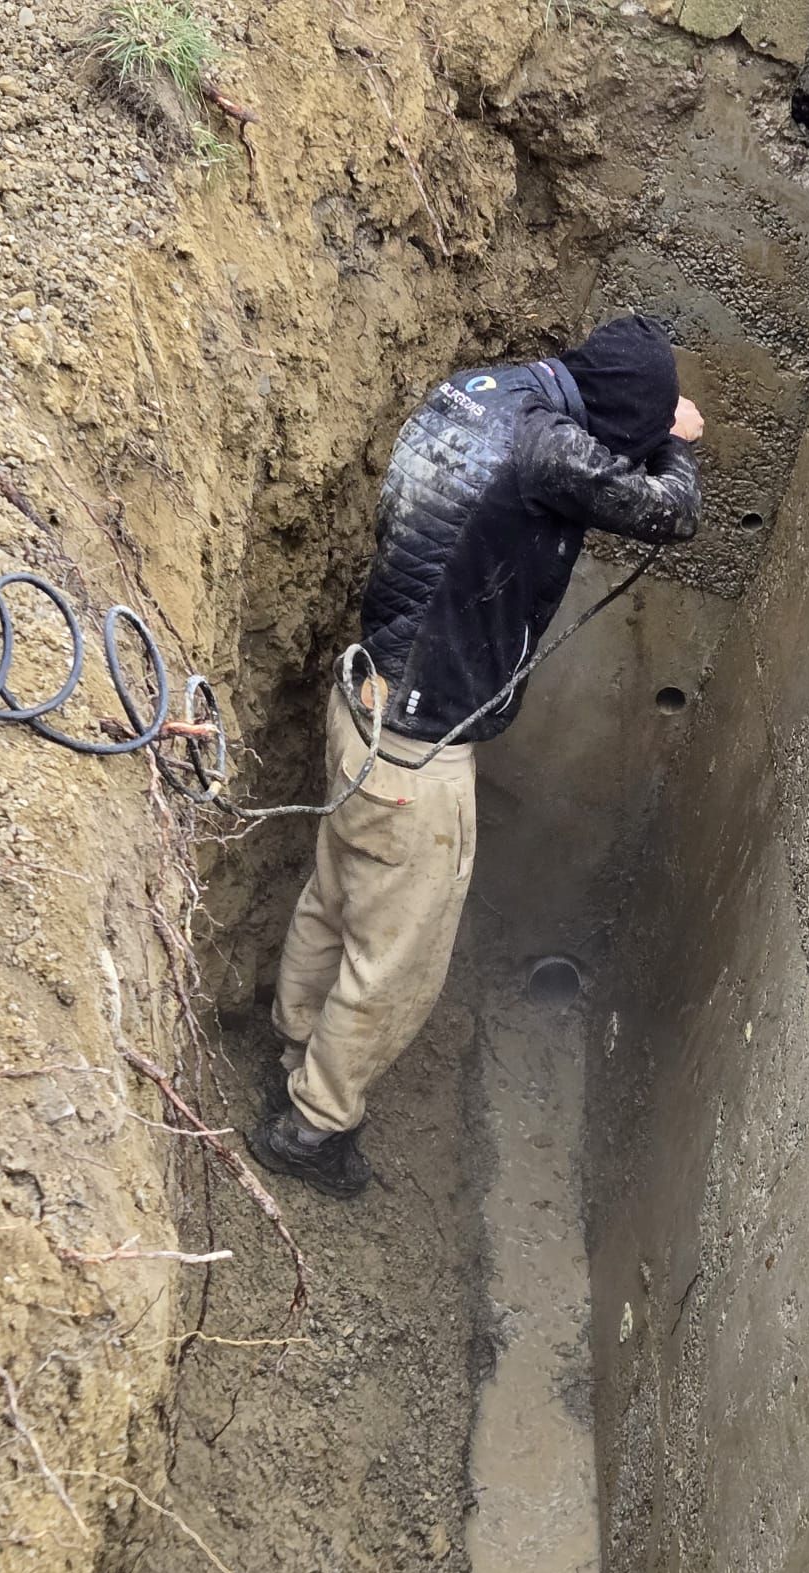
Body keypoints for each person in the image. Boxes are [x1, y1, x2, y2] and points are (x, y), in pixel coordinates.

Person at [247, 313, 704, 1198]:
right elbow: (672, 514)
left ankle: (293, 1043)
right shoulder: (548, 451)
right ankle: (313, 1127)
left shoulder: (481, 391)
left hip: (363, 700)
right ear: (613, 417)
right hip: (416, 761)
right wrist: (673, 444)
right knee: (397, 959)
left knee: (335, 896)